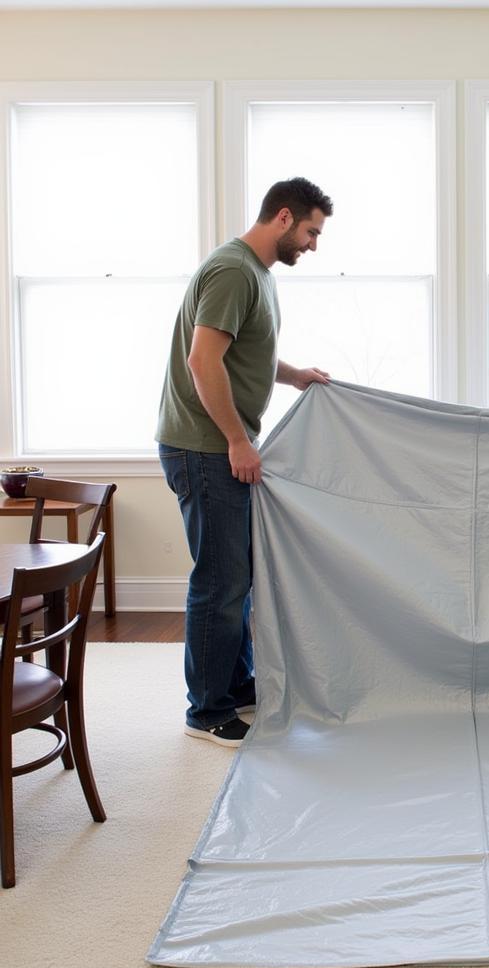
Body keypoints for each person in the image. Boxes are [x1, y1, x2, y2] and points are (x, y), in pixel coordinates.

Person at [156, 177, 334, 746]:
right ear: (283, 218)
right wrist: (237, 440)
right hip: (205, 449)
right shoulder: (235, 270)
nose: (312, 244)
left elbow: (247, 352)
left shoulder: (256, 275)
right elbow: (203, 361)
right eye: (310, 231)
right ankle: (206, 711)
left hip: (215, 446)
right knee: (220, 580)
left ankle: (232, 686)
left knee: (239, 576)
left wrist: (294, 373)